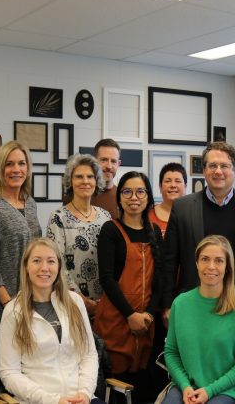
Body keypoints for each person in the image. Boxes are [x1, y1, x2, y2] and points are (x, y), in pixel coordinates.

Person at [164, 141, 235, 310]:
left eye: (225, 166)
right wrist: (167, 304)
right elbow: (169, 261)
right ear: (204, 170)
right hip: (193, 305)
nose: (218, 171)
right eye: (212, 165)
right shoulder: (182, 208)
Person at [0, 140, 42, 394]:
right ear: (0, 168)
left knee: (25, 375)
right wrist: (10, 304)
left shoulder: (30, 202)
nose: (16, 169)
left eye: (22, 163)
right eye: (10, 164)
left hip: (28, 304)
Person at [0, 238, 98, 404]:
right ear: (26, 267)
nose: (44, 268)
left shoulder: (75, 302)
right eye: (36, 261)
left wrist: (85, 393)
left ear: (58, 267)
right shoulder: (13, 311)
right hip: (39, 401)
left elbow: (89, 354)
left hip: (80, 398)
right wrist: (53, 400)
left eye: (51, 261)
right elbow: (9, 372)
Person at [163, 235, 235, 404]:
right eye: (205, 259)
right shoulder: (180, 304)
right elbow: (171, 352)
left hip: (227, 390)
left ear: (227, 266)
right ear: (197, 263)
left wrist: (210, 390)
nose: (211, 266)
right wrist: (185, 386)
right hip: (187, 387)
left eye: (219, 261)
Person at [93, 172, 163, 385]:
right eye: (127, 192)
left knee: (143, 383)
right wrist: (130, 315)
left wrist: (149, 314)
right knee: (116, 382)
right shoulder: (110, 230)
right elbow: (106, 278)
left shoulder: (156, 231)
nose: (134, 197)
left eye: (140, 191)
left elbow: (160, 279)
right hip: (116, 318)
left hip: (146, 322)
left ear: (149, 197)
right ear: (120, 197)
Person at [46, 154, 111, 315]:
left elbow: (113, 261)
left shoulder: (105, 216)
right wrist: (80, 299)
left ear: (96, 181)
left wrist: (107, 298)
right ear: (70, 181)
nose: (85, 181)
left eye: (90, 176)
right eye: (79, 176)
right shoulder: (58, 218)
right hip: (70, 303)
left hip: (105, 304)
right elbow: (56, 263)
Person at [149, 162, 187, 236]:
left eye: (178, 181)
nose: (173, 185)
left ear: (185, 186)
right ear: (160, 187)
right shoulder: (148, 215)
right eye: (167, 181)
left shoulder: (194, 215)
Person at [91, 138, 122, 219]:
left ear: (118, 164)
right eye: (104, 160)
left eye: (113, 161)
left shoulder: (124, 197)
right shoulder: (80, 195)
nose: (109, 166)